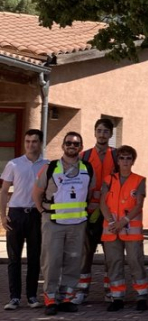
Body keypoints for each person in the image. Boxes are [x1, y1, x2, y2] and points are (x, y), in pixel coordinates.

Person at [33, 132, 95, 316]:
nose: (72, 146)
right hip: (53, 222)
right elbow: (36, 193)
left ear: (81, 147)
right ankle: (50, 298)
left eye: (76, 144)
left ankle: (67, 297)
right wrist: (42, 211)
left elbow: (90, 194)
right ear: (63, 146)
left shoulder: (87, 168)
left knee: (73, 261)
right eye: (68, 143)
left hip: (77, 223)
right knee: (51, 261)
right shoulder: (51, 167)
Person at [1, 129, 46, 310]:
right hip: (16, 214)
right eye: (27, 141)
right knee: (14, 259)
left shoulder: (47, 165)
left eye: (34, 141)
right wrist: (3, 216)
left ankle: (32, 296)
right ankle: (14, 298)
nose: (30, 145)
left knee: (34, 258)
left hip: (36, 215)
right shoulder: (13, 164)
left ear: (40, 143)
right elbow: (4, 191)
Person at [100, 145, 148, 312]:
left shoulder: (139, 180)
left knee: (136, 261)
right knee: (114, 262)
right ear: (117, 161)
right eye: (122, 158)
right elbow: (102, 203)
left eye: (128, 158)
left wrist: (124, 221)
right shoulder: (108, 180)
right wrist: (111, 221)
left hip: (131, 229)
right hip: (111, 229)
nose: (125, 161)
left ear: (133, 161)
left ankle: (141, 296)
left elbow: (139, 204)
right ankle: (117, 297)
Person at [76, 119, 117, 304]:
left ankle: (110, 290)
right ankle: (82, 291)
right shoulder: (83, 156)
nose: (102, 134)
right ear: (94, 133)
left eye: (105, 131)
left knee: (111, 253)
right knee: (86, 253)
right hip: (90, 213)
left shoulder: (117, 156)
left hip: (109, 212)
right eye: (99, 131)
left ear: (111, 134)